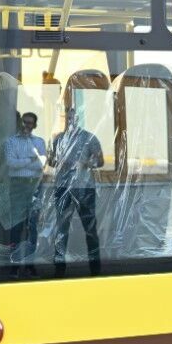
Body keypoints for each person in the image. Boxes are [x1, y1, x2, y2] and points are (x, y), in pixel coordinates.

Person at [47, 107, 104, 276]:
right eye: (68, 118)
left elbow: (100, 161)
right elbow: (51, 162)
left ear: (78, 119)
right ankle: (59, 269)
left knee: (90, 229)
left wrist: (86, 163)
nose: (70, 121)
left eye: (73, 118)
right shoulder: (58, 139)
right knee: (61, 229)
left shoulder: (89, 138)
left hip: (84, 188)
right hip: (63, 188)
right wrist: (57, 161)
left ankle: (95, 268)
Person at [2, 112, 46, 253]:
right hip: (17, 184)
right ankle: (14, 264)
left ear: (34, 125)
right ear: (20, 122)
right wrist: (30, 160)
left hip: (35, 185)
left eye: (30, 122)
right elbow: (11, 163)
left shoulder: (39, 142)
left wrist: (23, 162)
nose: (26, 125)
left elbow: (41, 164)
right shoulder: (11, 141)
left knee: (32, 224)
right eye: (24, 122)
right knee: (17, 224)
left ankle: (29, 264)